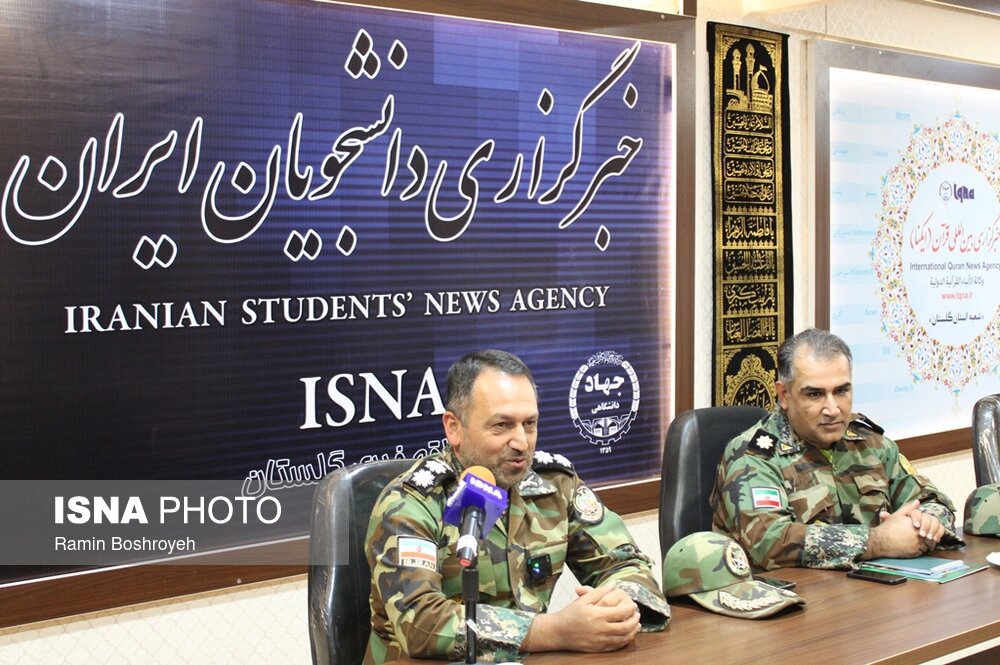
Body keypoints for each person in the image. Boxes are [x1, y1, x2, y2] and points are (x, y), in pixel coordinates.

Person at [364, 349, 670, 664]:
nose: (522, 443)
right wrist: (553, 631)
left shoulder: (555, 485)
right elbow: (420, 623)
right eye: (502, 425)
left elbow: (624, 564)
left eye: (530, 424)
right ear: (454, 427)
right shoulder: (410, 503)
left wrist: (619, 604)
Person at [711, 328, 963, 571]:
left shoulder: (870, 444)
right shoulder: (753, 455)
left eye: (842, 391)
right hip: (787, 595)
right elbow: (770, 541)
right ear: (784, 395)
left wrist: (924, 524)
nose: (832, 409)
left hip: (871, 589)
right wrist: (878, 541)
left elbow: (933, 500)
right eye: (815, 394)